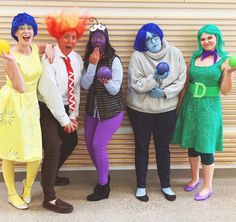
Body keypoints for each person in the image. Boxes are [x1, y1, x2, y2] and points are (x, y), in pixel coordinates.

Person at [172, 24, 235, 201]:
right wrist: (179, 105)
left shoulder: (224, 60)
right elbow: (186, 83)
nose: (206, 41)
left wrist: (229, 72)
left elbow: (225, 91)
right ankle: (194, 178)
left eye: (210, 37)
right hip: (190, 105)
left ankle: (208, 186)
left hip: (209, 108)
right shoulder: (194, 57)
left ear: (217, 38)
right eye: (202, 38)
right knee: (192, 145)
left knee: (206, 147)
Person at [126, 23, 186, 202]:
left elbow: (181, 79)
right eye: (147, 39)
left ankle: (166, 185)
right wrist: (155, 78)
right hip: (140, 109)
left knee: (163, 147)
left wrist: (165, 93)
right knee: (142, 147)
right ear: (142, 43)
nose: (152, 41)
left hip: (166, 109)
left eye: (154, 37)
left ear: (160, 35)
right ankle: (141, 186)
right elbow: (136, 85)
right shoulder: (137, 56)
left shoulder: (175, 53)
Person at [0, 12, 53, 210]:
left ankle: (27, 188)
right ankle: (12, 194)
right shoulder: (9, 56)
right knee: (10, 152)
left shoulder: (33, 48)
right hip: (13, 103)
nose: (26, 31)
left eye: (29, 28)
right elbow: (20, 87)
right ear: (15, 32)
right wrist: (13, 62)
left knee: (35, 154)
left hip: (31, 104)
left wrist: (48, 46)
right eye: (21, 28)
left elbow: (43, 47)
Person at [37, 10, 88, 213]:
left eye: (74, 37)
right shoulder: (49, 57)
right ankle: (48, 198)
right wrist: (64, 119)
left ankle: (51, 174)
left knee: (71, 140)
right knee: (53, 147)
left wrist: (73, 115)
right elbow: (48, 91)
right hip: (47, 107)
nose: (71, 40)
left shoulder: (76, 59)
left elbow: (75, 87)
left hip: (66, 108)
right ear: (57, 36)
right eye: (66, 36)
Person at [81, 18, 125, 201]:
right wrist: (92, 64)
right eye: (94, 37)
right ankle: (104, 175)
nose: (97, 40)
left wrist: (105, 81)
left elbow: (115, 89)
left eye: (101, 37)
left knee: (99, 146)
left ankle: (103, 186)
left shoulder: (114, 60)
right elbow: (84, 85)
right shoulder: (88, 59)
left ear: (106, 39)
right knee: (90, 146)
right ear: (90, 40)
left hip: (112, 110)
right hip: (93, 109)